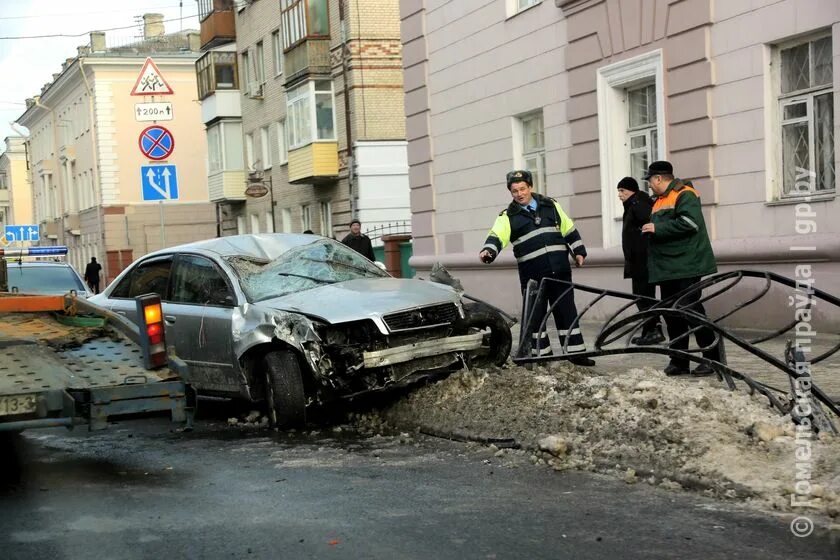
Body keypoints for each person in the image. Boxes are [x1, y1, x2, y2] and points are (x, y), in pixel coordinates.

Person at [479, 170, 595, 367]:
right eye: (514, 191)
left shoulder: (550, 205)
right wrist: (488, 251)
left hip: (559, 270)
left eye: (522, 188)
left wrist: (579, 251)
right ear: (511, 192)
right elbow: (497, 236)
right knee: (536, 317)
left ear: (530, 187)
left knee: (567, 312)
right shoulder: (508, 216)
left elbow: (568, 229)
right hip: (533, 277)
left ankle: (576, 354)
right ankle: (541, 357)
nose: (519, 193)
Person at [640, 161, 720, 376]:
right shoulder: (659, 201)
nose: (648, 185)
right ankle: (679, 361)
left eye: (649, 180)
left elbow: (690, 223)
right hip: (668, 267)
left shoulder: (685, 194)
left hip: (687, 265)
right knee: (671, 315)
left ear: (658, 178)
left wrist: (658, 227)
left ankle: (712, 359)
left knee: (691, 311)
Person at [617, 176, 665, 345]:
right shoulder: (633, 204)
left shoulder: (638, 204)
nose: (619, 194)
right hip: (638, 260)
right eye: (618, 191)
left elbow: (649, 225)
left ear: (632, 191)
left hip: (643, 260)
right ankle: (649, 330)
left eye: (622, 191)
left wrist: (640, 249)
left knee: (644, 297)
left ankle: (654, 330)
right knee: (642, 297)